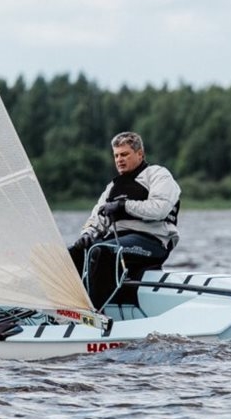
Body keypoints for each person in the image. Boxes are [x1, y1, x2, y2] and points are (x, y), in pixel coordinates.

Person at [68, 131, 181, 308]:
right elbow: (96, 218)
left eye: (125, 154)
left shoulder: (158, 175)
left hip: (152, 241)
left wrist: (123, 206)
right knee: (73, 253)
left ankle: (92, 311)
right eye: (116, 155)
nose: (119, 159)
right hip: (119, 241)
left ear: (140, 154)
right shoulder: (112, 187)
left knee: (103, 251)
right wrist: (87, 233)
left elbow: (159, 209)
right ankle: (65, 307)